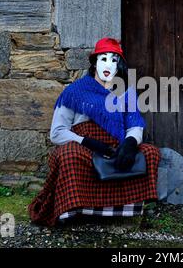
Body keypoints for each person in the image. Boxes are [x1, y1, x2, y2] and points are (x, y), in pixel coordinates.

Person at [29, 37, 160, 226]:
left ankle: (125, 208)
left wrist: (130, 143)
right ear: (94, 63)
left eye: (114, 60)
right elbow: (57, 132)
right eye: (103, 59)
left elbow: (134, 125)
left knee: (150, 153)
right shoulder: (74, 92)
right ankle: (74, 208)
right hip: (86, 147)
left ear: (119, 66)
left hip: (116, 146)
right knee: (68, 155)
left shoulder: (124, 92)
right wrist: (87, 142)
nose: (108, 64)